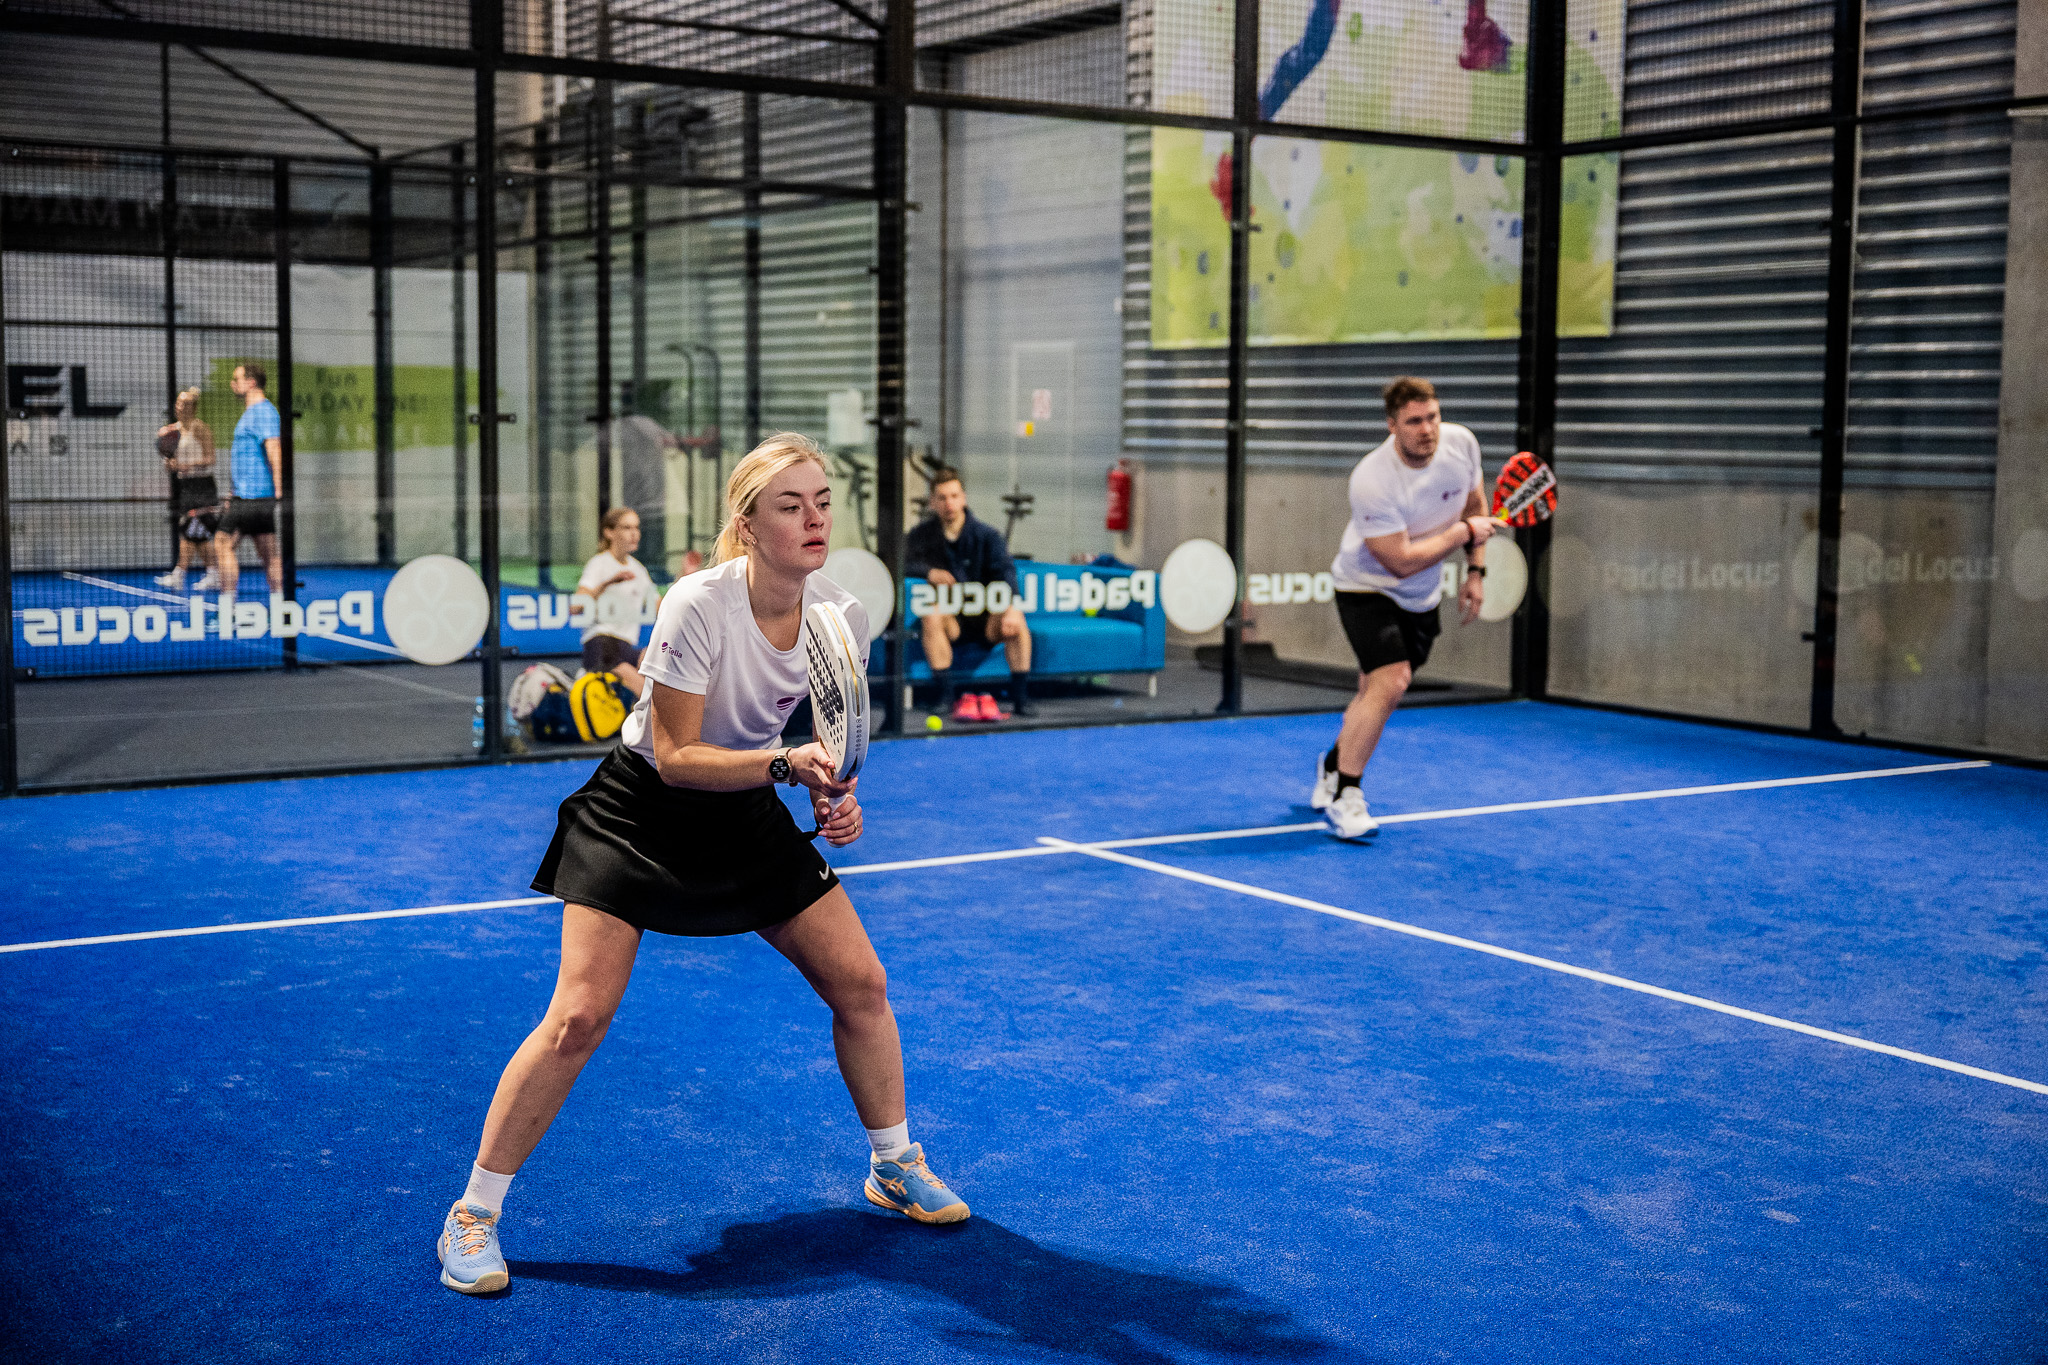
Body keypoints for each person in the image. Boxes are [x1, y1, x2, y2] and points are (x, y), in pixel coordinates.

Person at [436, 432, 968, 1298]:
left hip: (746, 806)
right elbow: (679, 755)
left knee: (862, 983)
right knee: (578, 1016)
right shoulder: (697, 603)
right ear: (748, 524)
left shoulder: (841, 614)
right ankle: (472, 1213)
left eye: (822, 502)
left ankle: (893, 1162)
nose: (814, 519)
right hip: (640, 810)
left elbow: (824, 741)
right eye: (790, 505)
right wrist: (788, 764)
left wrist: (834, 799)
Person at [1312, 376, 1497, 840]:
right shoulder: (1372, 480)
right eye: (1414, 421)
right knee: (1392, 680)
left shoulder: (1462, 444)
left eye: (1432, 417)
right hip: (1365, 587)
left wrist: (1476, 570)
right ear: (1392, 425)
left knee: (1373, 693)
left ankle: (1333, 763)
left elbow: (1474, 503)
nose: (1427, 429)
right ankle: (1347, 796)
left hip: (1422, 596)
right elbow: (1399, 562)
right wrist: (1463, 534)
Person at [905, 468, 1032, 721]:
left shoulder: (988, 536)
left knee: (1017, 621)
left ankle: (1021, 698)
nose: (949, 503)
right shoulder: (920, 536)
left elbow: (1006, 571)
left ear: (963, 498)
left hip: (987, 621)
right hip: (952, 621)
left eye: (954, 496)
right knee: (931, 616)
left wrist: (1012, 607)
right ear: (933, 502)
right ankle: (945, 696)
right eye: (942, 498)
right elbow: (898, 562)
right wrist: (929, 572)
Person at [214, 362, 284, 598]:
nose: (233, 384)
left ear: (251, 382)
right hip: (247, 495)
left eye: (237, 379)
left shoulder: (263, 411)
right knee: (268, 553)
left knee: (222, 543)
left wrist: (278, 489)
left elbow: (274, 449)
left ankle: (228, 606)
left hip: (252, 497)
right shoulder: (252, 412)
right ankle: (280, 606)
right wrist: (233, 491)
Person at [572, 506, 655, 698]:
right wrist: (607, 583)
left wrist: (685, 577)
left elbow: (661, 606)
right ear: (609, 532)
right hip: (602, 645)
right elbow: (576, 607)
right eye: (627, 528)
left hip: (626, 647)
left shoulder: (638, 569)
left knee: (656, 662)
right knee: (647, 695)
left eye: (637, 528)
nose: (634, 534)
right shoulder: (599, 564)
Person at [154, 387, 219, 591]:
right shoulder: (171, 431)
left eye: (186, 404)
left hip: (202, 486)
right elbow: (170, 462)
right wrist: (170, 464)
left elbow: (211, 459)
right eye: (179, 402)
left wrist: (185, 465)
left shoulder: (201, 428)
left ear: (194, 407)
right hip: (184, 486)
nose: (181, 407)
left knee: (190, 531)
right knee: (196, 533)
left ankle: (179, 575)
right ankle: (212, 574)